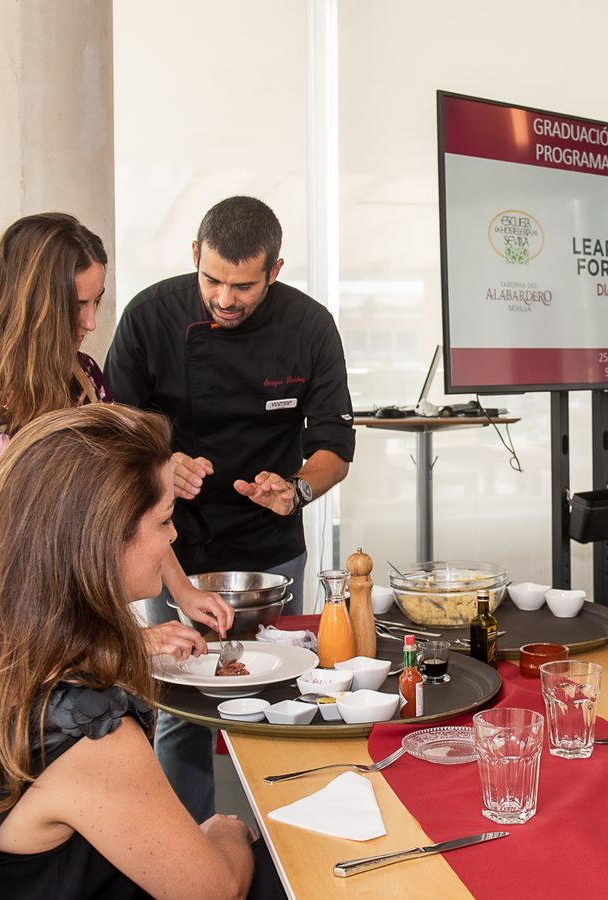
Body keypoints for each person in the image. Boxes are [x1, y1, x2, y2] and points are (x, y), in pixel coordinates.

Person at [0, 404, 284, 900]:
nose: (173, 535)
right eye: (164, 519)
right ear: (103, 539)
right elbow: (214, 889)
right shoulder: (85, 733)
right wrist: (227, 833)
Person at [106, 196, 355, 819]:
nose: (225, 297)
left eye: (244, 285)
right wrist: (162, 465)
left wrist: (296, 488)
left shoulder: (309, 326)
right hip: (171, 543)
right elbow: (114, 439)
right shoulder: (149, 317)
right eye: (213, 279)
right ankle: (185, 842)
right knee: (183, 703)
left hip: (268, 541)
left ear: (274, 269)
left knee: (279, 688)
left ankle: (281, 831)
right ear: (195, 256)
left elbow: (335, 446)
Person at [0, 213, 230, 662]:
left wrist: (183, 591)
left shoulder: (86, 379)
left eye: (96, 301)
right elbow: (24, 578)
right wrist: (129, 641)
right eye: (78, 305)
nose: (92, 322)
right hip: (29, 648)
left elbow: (132, 509)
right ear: (33, 305)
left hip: (84, 630)